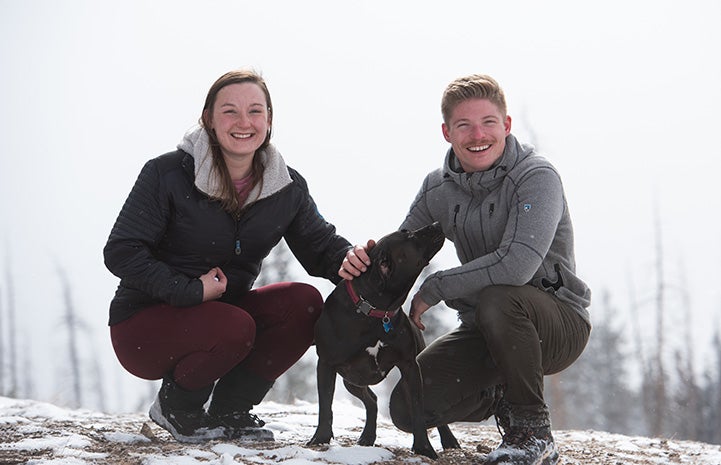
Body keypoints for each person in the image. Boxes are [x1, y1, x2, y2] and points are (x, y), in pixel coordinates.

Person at [340, 74, 591, 465]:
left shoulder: (536, 177)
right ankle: (503, 394)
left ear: (506, 125)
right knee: (409, 407)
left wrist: (437, 286)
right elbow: (401, 251)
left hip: (556, 324)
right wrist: (362, 267)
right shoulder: (437, 189)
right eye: (464, 125)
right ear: (447, 132)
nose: (478, 135)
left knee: (500, 298)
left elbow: (517, 265)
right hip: (484, 330)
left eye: (489, 122)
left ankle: (532, 431)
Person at [104, 69, 351, 443]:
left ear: (269, 120)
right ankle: (178, 408)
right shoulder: (167, 173)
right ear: (208, 119)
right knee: (234, 325)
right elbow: (121, 250)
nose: (244, 123)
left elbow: (322, 248)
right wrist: (188, 290)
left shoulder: (285, 188)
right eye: (230, 112)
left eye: (255, 111)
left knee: (303, 303)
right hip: (144, 325)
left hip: (223, 320)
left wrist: (353, 259)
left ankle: (230, 411)